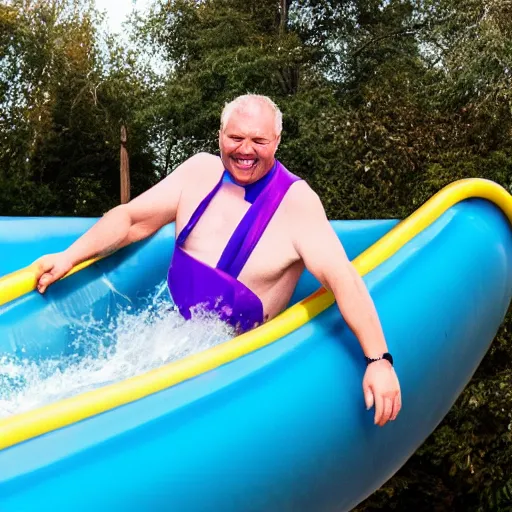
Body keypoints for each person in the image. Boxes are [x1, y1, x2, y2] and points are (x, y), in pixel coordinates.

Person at [33, 94, 401, 426]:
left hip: (225, 378)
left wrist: (378, 361)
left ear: (277, 142)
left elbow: (342, 278)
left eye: (259, 140)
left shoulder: (297, 204)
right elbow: (130, 219)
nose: (245, 150)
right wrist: (69, 257)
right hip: (160, 339)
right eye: (235, 138)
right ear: (220, 135)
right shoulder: (199, 172)